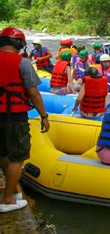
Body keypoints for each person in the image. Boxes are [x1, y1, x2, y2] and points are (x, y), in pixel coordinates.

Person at [0, 27, 49, 213]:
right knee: (17, 158)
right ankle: (7, 199)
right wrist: (44, 116)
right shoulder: (23, 62)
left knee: (3, 154)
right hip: (14, 116)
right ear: (19, 44)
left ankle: (15, 190)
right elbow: (33, 93)